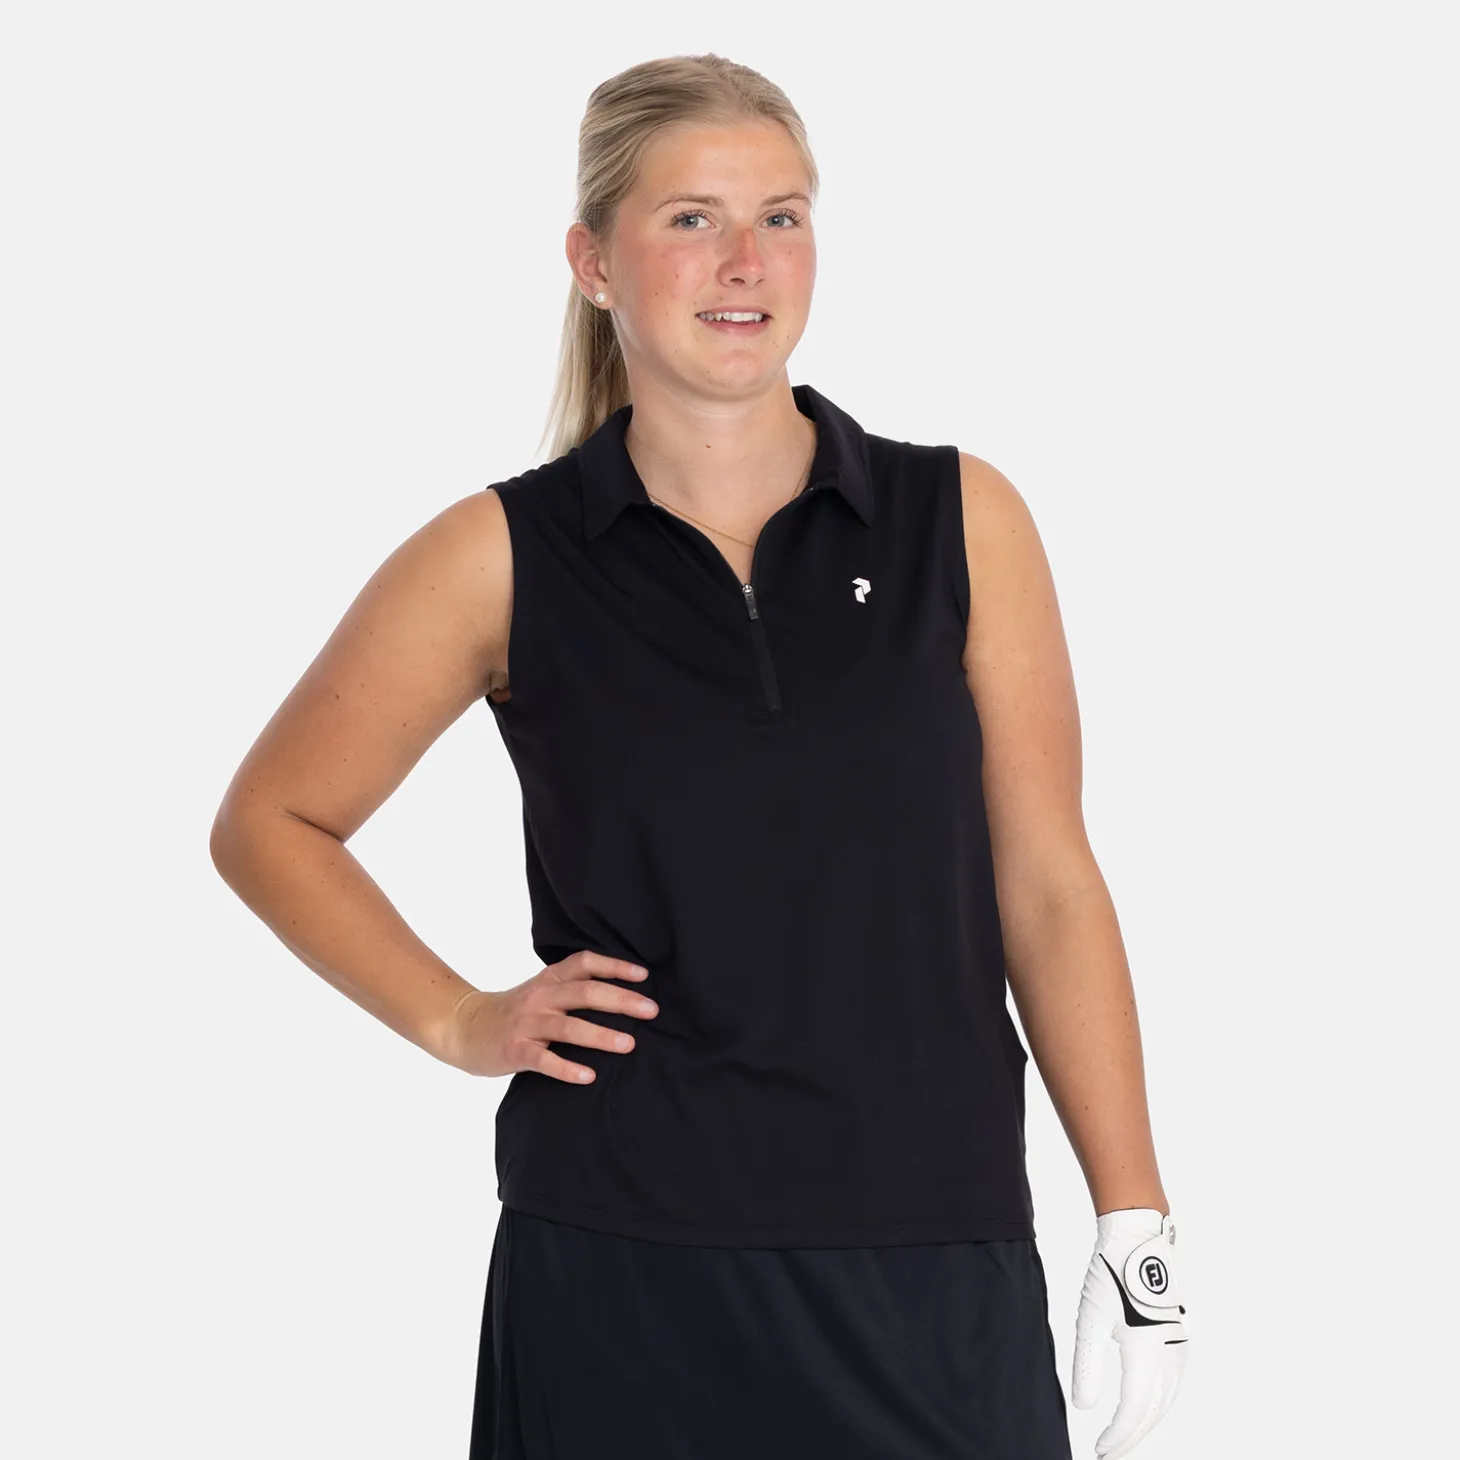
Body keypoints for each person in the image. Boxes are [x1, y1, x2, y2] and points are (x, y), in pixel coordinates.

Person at [209, 52, 1191, 1460]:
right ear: (593, 262)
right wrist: (460, 1019)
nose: (746, 261)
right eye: (692, 219)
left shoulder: (960, 521)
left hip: (932, 1258)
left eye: (782, 216)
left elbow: (1046, 884)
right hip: (622, 1266)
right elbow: (273, 820)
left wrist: (1135, 1219)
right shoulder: (505, 556)